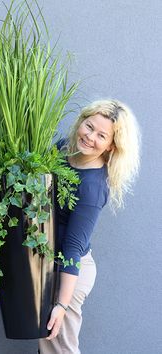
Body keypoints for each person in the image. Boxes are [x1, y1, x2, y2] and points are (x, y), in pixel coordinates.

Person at [38, 99, 141, 354]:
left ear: (110, 147)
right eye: (89, 126)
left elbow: (73, 247)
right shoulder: (63, 149)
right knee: (46, 347)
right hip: (49, 263)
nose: (90, 136)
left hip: (70, 273)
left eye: (101, 135)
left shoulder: (93, 187)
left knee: (61, 350)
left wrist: (62, 304)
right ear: (81, 120)